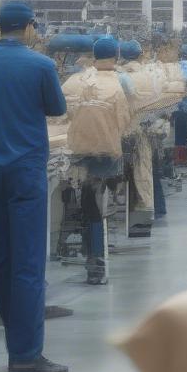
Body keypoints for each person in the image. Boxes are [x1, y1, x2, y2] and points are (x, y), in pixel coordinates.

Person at [0, 0, 69, 372]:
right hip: (25, 171)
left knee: (1, 261)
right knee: (29, 263)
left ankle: (15, 342)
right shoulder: (41, 65)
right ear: (29, 27)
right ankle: (25, 353)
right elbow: (55, 108)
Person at [61, 36, 133, 284]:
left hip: (75, 151)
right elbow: (125, 119)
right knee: (96, 203)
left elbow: (61, 113)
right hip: (105, 152)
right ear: (115, 56)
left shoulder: (74, 80)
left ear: (93, 55)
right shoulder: (121, 80)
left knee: (78, 197)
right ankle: (96, 257)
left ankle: (74, 242)